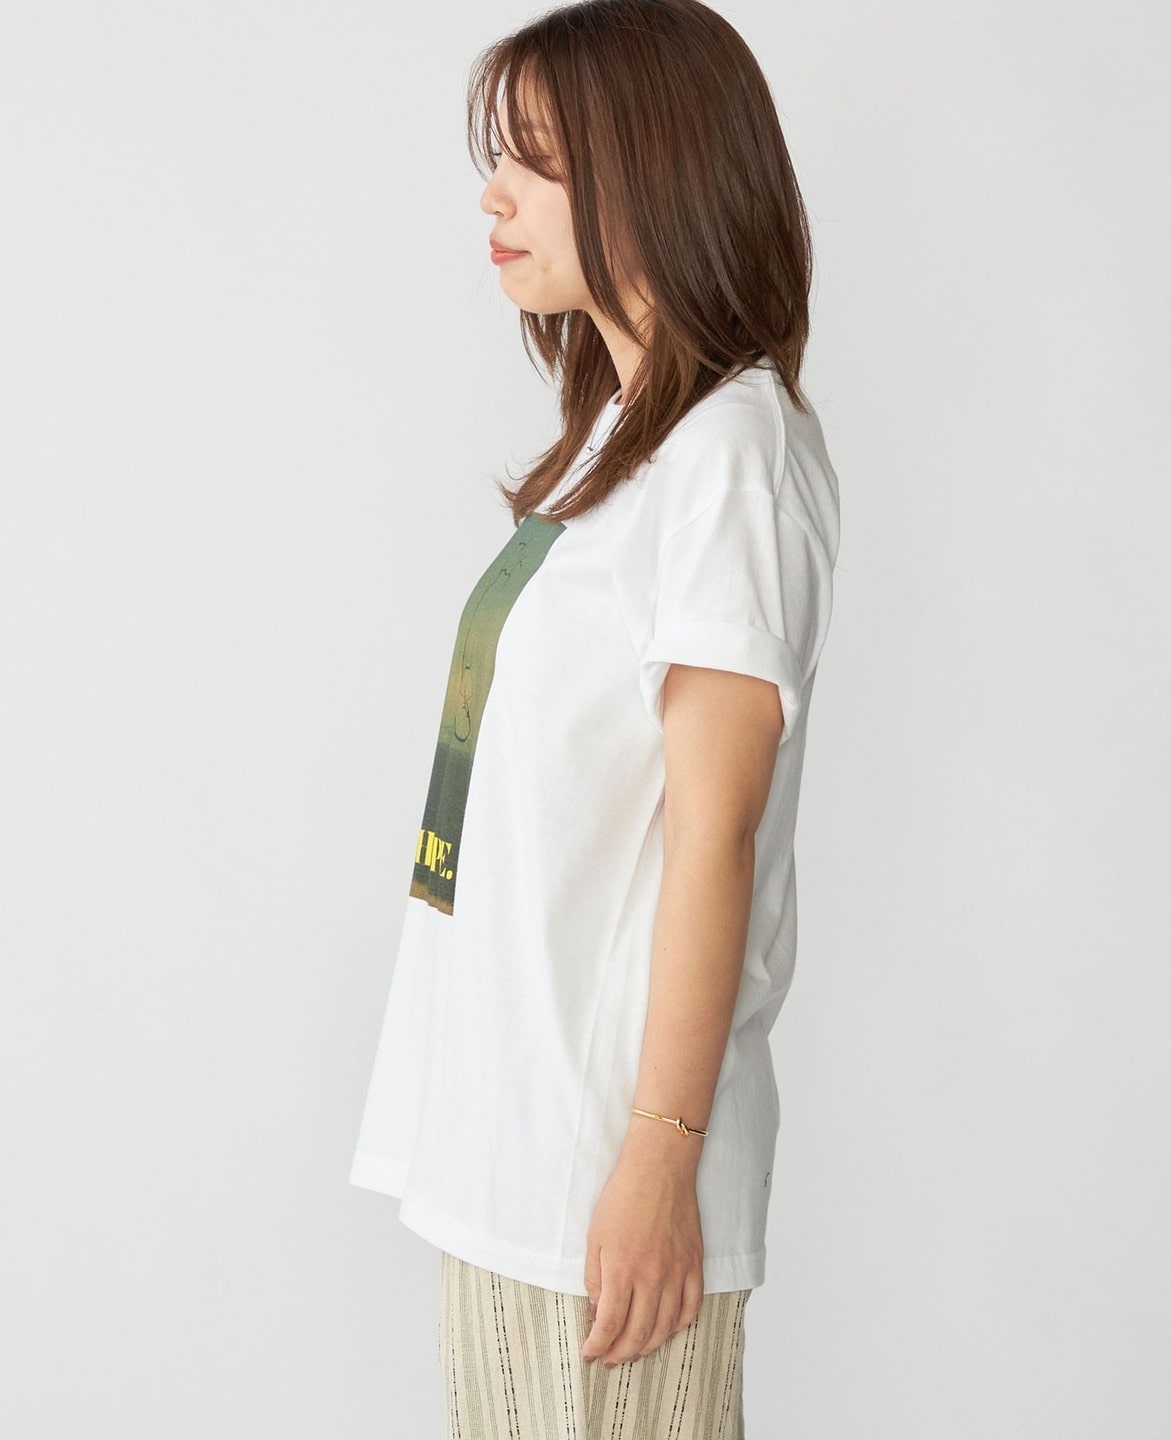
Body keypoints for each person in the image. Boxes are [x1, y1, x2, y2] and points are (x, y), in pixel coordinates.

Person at [348, 1, 841, 1434]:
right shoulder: (626, 443)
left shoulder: (731, 450)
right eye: (495, 157)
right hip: (514, 1156)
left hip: (601, 1177)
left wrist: (660, 1161)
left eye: (538, 160)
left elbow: (715, 831)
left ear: (654, 172)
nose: (493, 197)